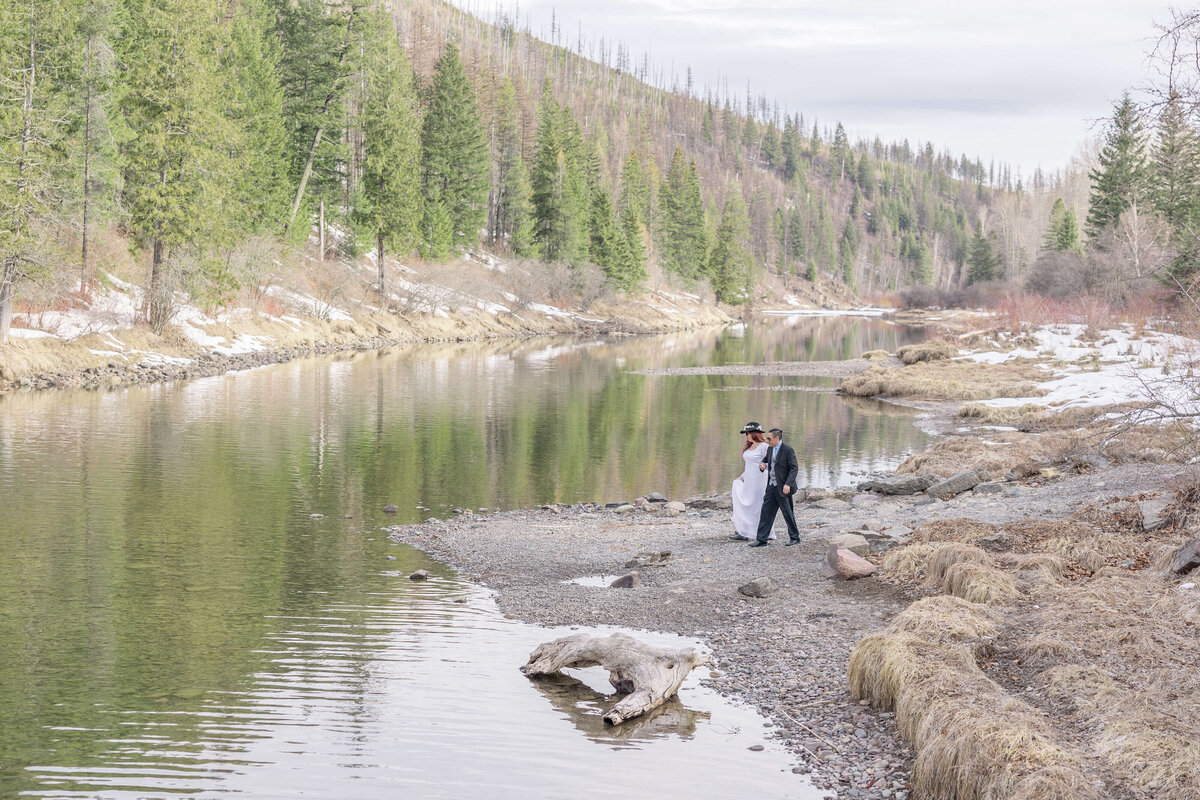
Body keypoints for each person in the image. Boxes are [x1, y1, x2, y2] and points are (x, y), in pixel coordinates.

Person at [748, 427, 802, 547]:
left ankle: (795, 538)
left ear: (777, 438)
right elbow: (767, 460)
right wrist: (762, 464)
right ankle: (761, 540)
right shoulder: (770, 449)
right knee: (765, 512)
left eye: (769, 438)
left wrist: (788, 484)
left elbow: (794, 468)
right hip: (771, 487)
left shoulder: (788, 450)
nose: (767, 440)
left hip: (783, 487)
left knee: (787, 513)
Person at [730, 422, 772, 541]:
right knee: (746, 503)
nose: (746, 436)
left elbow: (771, 462)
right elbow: (748, 465)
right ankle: (745, 531)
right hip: (748, 479)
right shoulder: (749, 447)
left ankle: (763, 532)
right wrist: (742, 477)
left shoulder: (764, 447)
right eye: (746, 434)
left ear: (754, 433)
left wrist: (765, 466)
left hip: (759, 478)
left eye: (748, 433)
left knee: (757, 504)